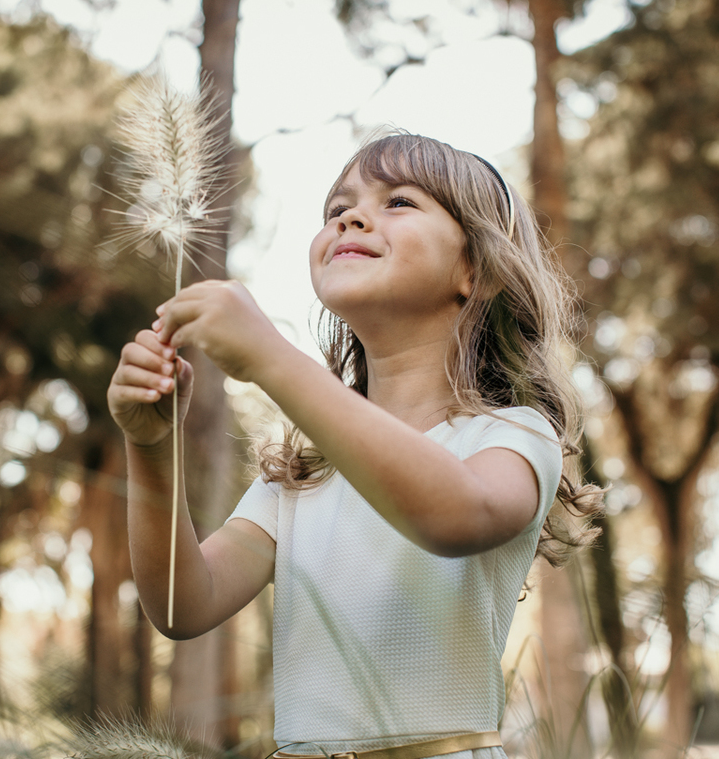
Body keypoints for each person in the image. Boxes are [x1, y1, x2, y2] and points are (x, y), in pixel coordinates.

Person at [107, 132, 602, 759]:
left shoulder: (512, 434)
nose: (350, 215)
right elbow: (183, 603)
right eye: (336, 207)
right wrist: (152, 449)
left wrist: (272, 359)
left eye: (399, 201)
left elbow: (456, 515)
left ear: (476, 271)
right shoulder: (304, 471)